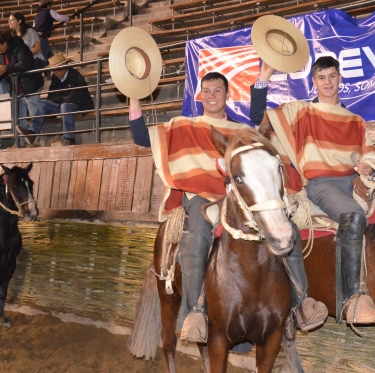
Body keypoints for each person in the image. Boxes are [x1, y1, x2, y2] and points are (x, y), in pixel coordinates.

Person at [128, 72, 327, 344]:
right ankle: (196, 314)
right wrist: (134, 98)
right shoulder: (184, 126)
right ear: (199, 95)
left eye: (217, 91)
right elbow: (141, 137)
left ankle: (300, 304)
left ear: (227, 95)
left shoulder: (241, 132)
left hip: (238, 198)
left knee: (286, 227)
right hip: (201, 197)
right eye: (206, 90)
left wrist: (264, 77)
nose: (211, 95)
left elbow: (264, 137)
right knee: (197, 234)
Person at [250, 57, 375, 326]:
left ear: (340, 79)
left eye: (332, 76)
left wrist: (369, 165)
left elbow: (369, 154)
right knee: (354, 216)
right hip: (322, 184)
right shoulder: (301, 111)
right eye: (321, 77)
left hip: (353, 182)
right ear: (314, 82)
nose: (327, 82)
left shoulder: (355, 120)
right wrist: (264, 76)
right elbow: (258, 118)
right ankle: (351, 299)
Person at [0, 29, 44, 148]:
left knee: (35, 113)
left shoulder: (20, 47)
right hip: (15, 88)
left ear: (5, 43)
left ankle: (37, 141)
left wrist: (6, 68)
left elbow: (25, 64)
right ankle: (20, 142)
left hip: (30, 84)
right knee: (18, 116)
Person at [24, 53, 93, 146]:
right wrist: (62, 99)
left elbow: (75, 97)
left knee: (65, 106)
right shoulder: (55, 78)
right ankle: (32, 133)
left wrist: (61, 100)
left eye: (56, 71)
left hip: (79, 106)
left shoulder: (76, 76)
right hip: (61, 105)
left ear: (63, 68)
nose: (54, 74)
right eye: (53, 71)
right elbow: (52, 95)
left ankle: (69, 138)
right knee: (43, 103)